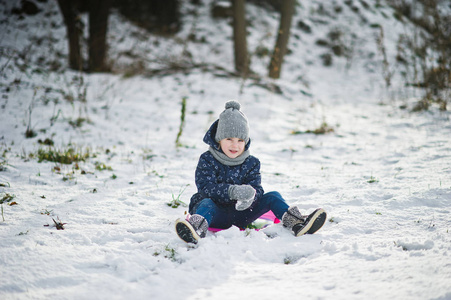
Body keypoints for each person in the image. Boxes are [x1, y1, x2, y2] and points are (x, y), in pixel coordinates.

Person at [175, 100, 326, 244]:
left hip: (243, 214)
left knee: (273, 196)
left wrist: (250, 196)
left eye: (241, 140)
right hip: (215, 214)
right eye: (229, 139)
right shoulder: (207, 159)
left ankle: (297, 224)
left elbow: (258, 189)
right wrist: (233, 191)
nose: (235, 145)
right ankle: (195, 229)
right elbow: (206, 188)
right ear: (218, 139)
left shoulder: (252, 162)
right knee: (205, 203)